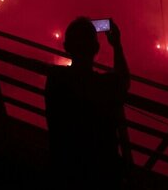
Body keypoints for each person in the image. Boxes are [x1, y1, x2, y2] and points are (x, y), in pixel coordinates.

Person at [45, 17, 130, 188]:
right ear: (96, 48)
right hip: (103, 173)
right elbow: (123, 80)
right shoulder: (103, 84)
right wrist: (117, 45)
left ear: (66, 47)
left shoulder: (55, 78)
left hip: (65, 168)